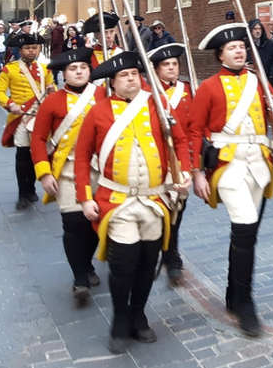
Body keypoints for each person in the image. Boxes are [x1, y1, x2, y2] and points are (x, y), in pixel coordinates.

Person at [74, 51, 192, 354]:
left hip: (154, 199)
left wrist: (185, 169)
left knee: (147, 263)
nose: (131, 79)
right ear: (112, 82)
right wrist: (85, 197)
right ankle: (120, 318)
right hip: (117, 200)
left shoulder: (157, 103)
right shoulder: (98, 112)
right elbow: (82, 158)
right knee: (123, 264)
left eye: (134, 74)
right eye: (124, 75)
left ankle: (138, 313)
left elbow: (179, 139)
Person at [187, 23, 273, 336]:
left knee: (246, 234)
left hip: (260, 165)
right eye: (231, 48)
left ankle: (233, 294)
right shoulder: (209, 87)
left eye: (241, 47)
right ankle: (246, 303)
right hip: (228, 166)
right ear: (220, 54)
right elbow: (195, 130)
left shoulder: (259, 81)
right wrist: (196, 172)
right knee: (245, 226)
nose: (239, 51)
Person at [30, 46, 106, 302]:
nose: (79, 72)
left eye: (83, 67)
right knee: (74, 225)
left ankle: (86, 263)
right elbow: (39, 139)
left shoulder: (104, 95)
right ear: (64, 74)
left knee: (95, 223)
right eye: (73, 69)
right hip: (67, 170)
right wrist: (43, 173)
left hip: (100, 168)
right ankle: (80, 278)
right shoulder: (52, 102)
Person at [147, 42, 193, 284]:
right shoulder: (147, 92)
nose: (172, 68)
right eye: (166, 65)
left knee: (177, 210)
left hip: (181, 157)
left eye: (174, 64)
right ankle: (159, 252)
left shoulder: (187, 89)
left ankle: (171, 255)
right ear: (156, 69)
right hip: (155, 159)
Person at [0, 32, 55, 209]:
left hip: (41, 117)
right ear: (20, 50)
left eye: (34, 48)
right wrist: (10, 104)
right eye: (27, 48)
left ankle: (32, 189)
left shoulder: (45, 69)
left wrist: (53, 91)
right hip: (22, 118)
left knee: (38, 154)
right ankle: (23, 193)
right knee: (22, 157)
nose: (31, 51)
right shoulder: (9, 69)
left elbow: (54, 90)